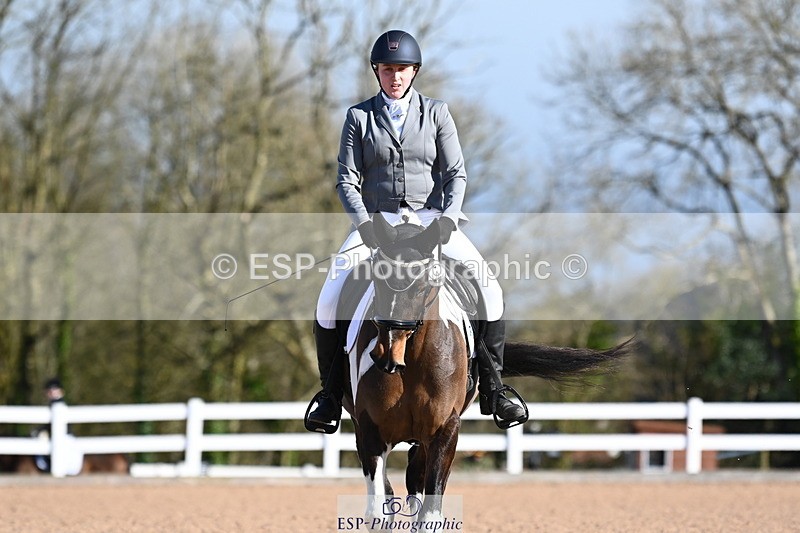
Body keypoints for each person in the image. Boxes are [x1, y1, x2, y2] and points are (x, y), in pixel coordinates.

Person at [304, 30, 527, 433]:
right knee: (328, 299)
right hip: (377, 225)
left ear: (414, 72)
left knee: (489, 287)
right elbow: (346, 181)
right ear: (378, 71)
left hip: (431, 223)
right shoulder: (359, 117)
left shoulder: (437, 113)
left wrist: (446, 219)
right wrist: (366, 225)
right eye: (388, 69)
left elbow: (456, 173)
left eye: (402, 69)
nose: (395, 77)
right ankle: (330, 396)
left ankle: (495, 388)